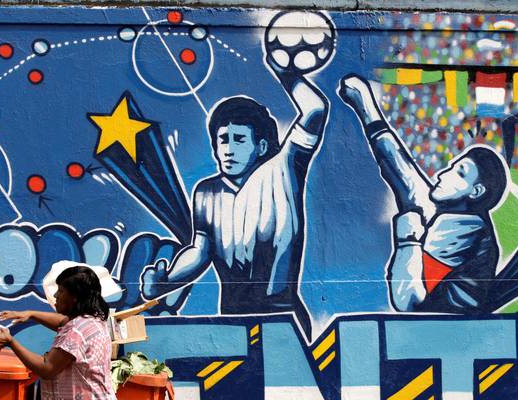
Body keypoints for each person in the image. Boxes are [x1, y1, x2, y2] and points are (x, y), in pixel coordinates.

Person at [140, 43, 330, 342]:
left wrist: (284, 70)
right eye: (223, 139)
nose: (228, 148)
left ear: (262, 146)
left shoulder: (283, 170)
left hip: (283, 318)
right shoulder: (207, 192)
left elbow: (316, 109)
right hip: (231, 319)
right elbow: (199, 252)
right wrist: (166, 283)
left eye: (239, 139)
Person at [338, 74, 508, 314]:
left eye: (458, 172)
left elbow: (407, 300)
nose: (442, 175)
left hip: (440, 337)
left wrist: (408, 239)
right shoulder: (457, 220)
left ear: (476, 191)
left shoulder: (462, 230)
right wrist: (368, 110)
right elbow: (402, 171)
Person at [0, 266, 116, 400]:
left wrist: (11, 342)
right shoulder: (92, 320)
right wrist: (31, 314)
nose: (55, 295)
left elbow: (47, 368)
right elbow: (61, 321)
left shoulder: (76, 330)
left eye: (60, 291)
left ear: (75, 297)